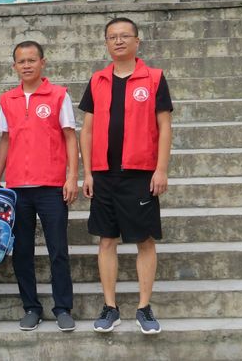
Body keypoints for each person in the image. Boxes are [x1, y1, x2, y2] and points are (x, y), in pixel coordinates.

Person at [79, 17, 173, 335]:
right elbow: (88, 130)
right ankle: (110, 307)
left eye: (124, 36)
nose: (118, 41)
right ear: (106, 43)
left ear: (137, 41)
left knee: (144, 240)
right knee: (106, 240)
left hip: (140, 174)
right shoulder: (97, 81)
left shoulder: (154, 78)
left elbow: (164, 127)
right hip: (105, 175)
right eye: (112, 37)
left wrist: (161, 169)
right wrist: (88, 172)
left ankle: (144, 308)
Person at [0, 41, 79, 332]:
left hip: (52, 185)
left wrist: (71, 176)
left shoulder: (58, 95)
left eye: (32, 59)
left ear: (43, 62)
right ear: (14, 66)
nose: (26, 65)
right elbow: (5, 139)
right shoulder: (8, 99)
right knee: (22, 251)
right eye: (21, 61)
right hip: (17, 187)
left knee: (58, 250)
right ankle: (31, 307)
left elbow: (70, 136)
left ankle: (63, 307)